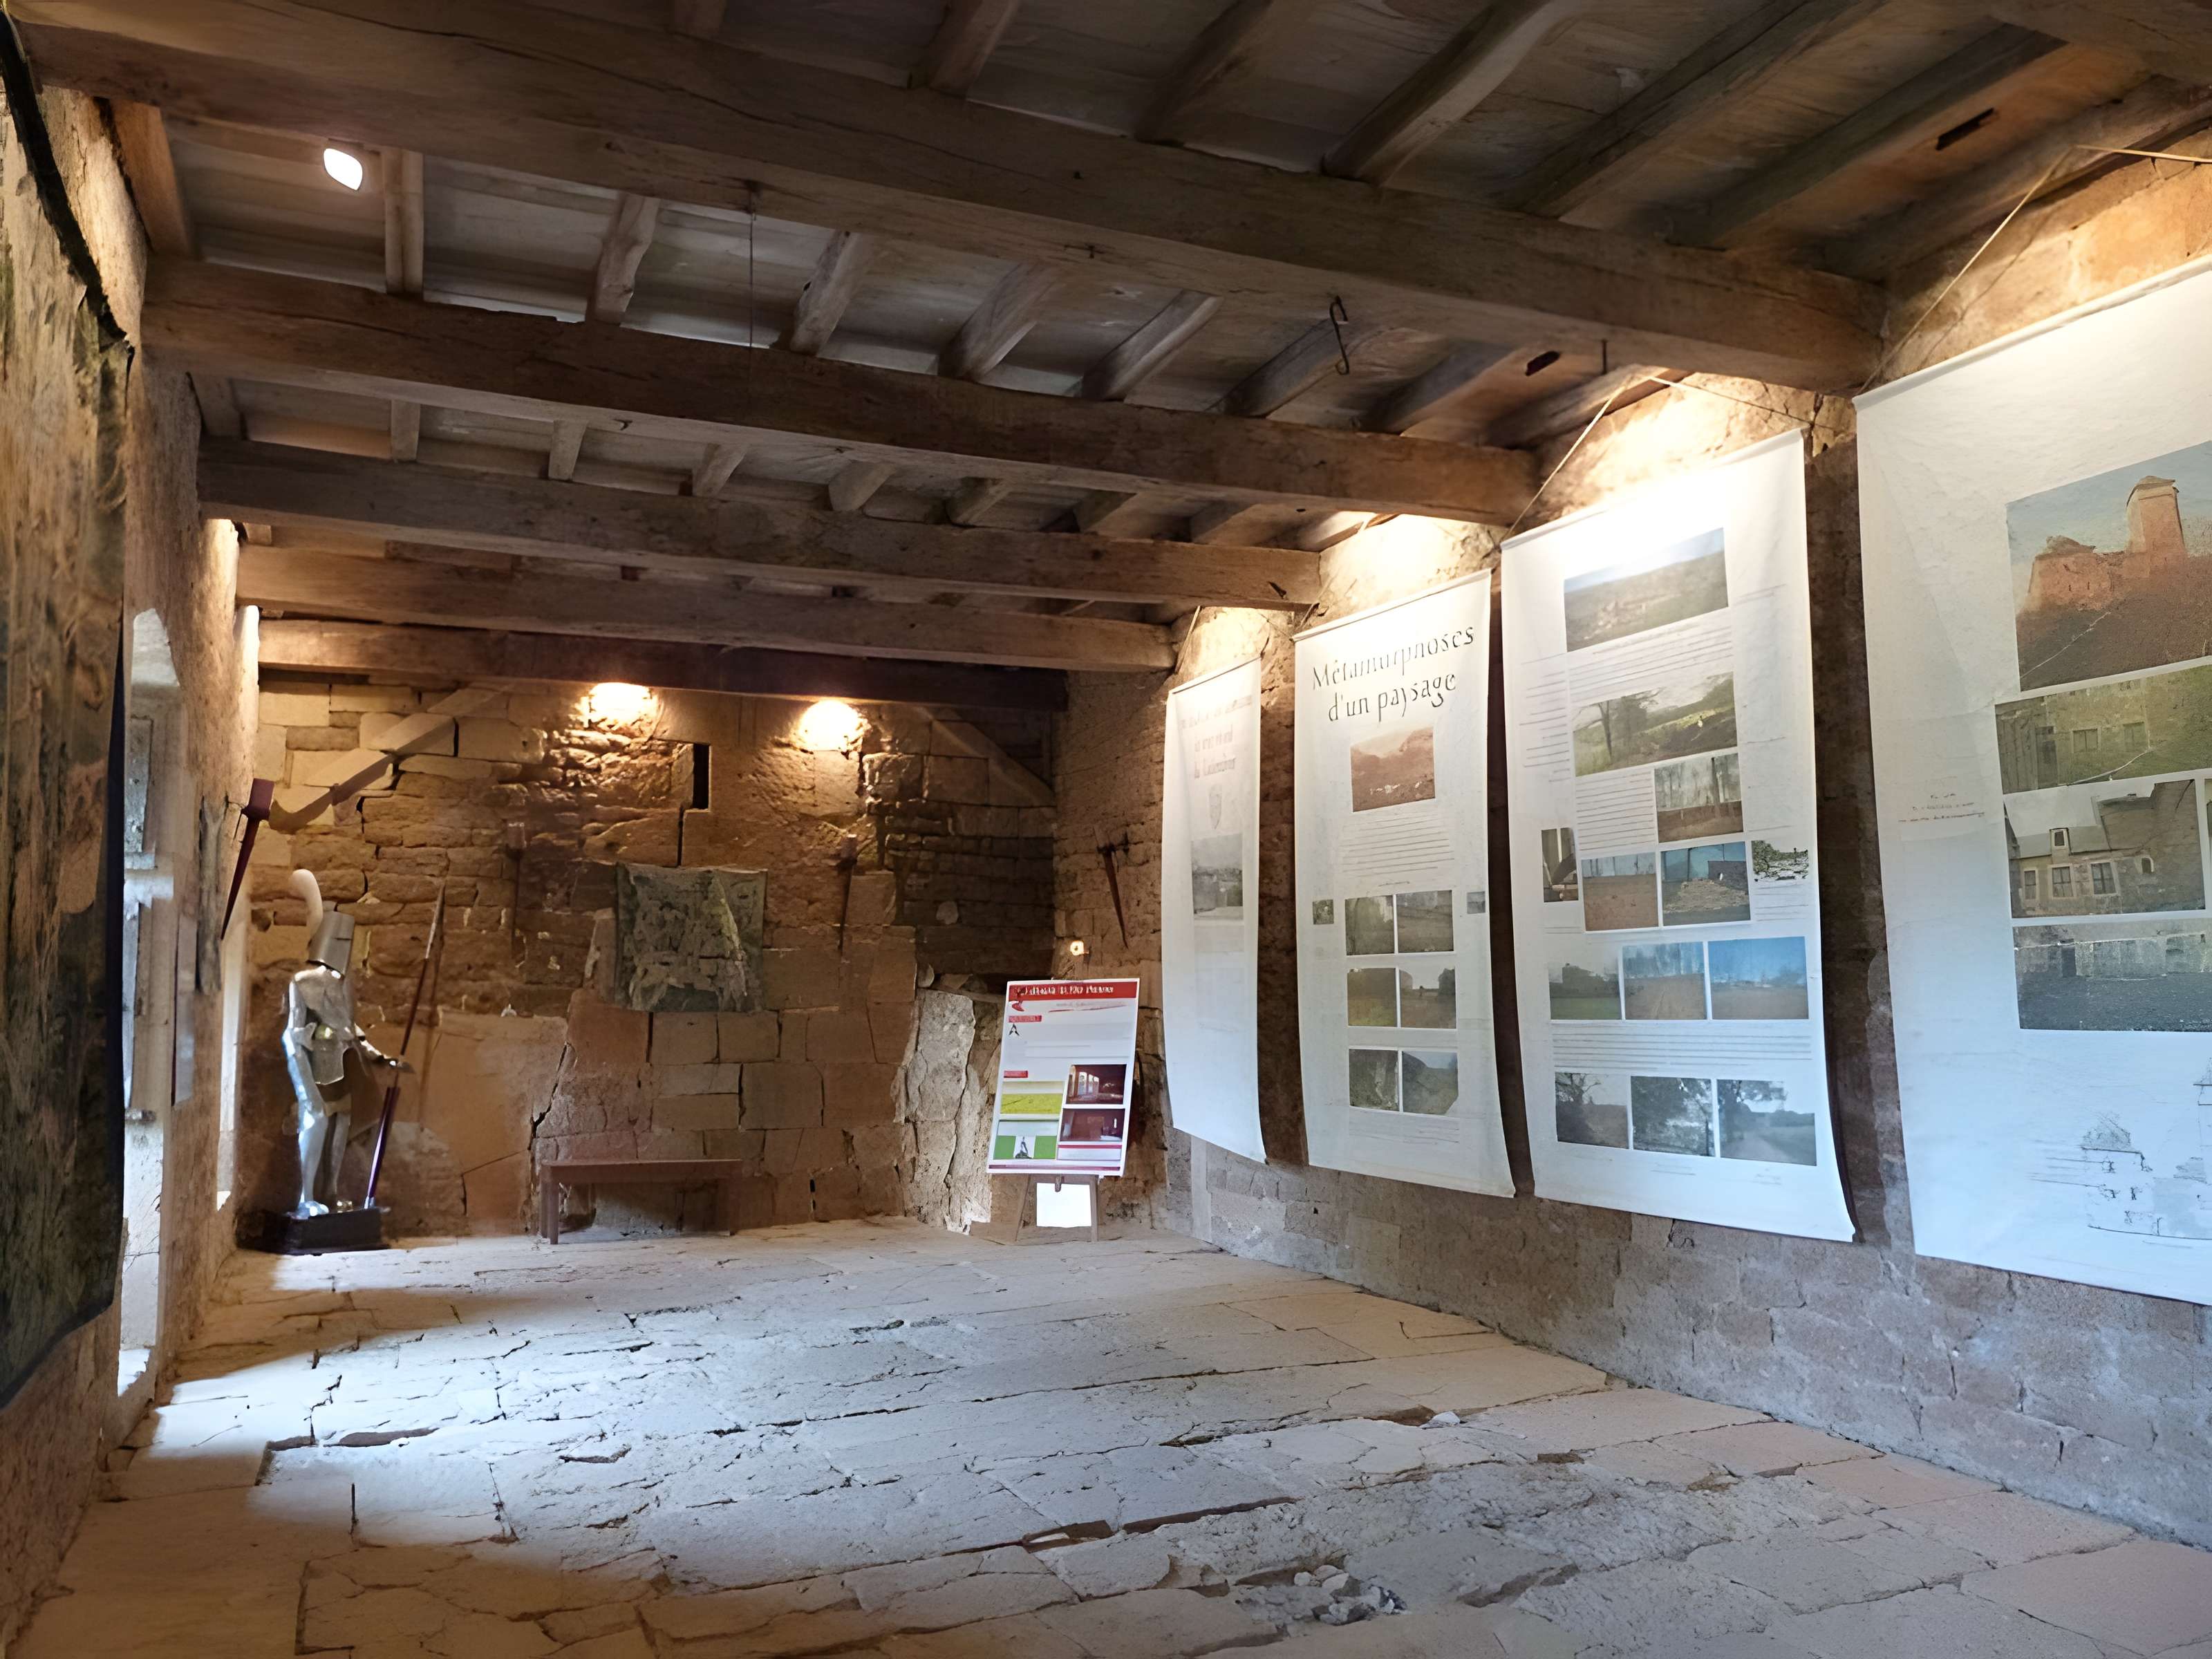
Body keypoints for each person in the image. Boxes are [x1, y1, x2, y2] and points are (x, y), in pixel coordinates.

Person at [282, 870, 407, 1217]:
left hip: (341, 1065)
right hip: (313, 1067)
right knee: (316, 1123)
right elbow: (292, 1034)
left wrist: (380, 1056)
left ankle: (331, 1192)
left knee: (340, 1126)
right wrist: (305, 1086)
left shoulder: (342, 983)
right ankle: (306, 1197)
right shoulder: (302, 981)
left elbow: (348, 1027)